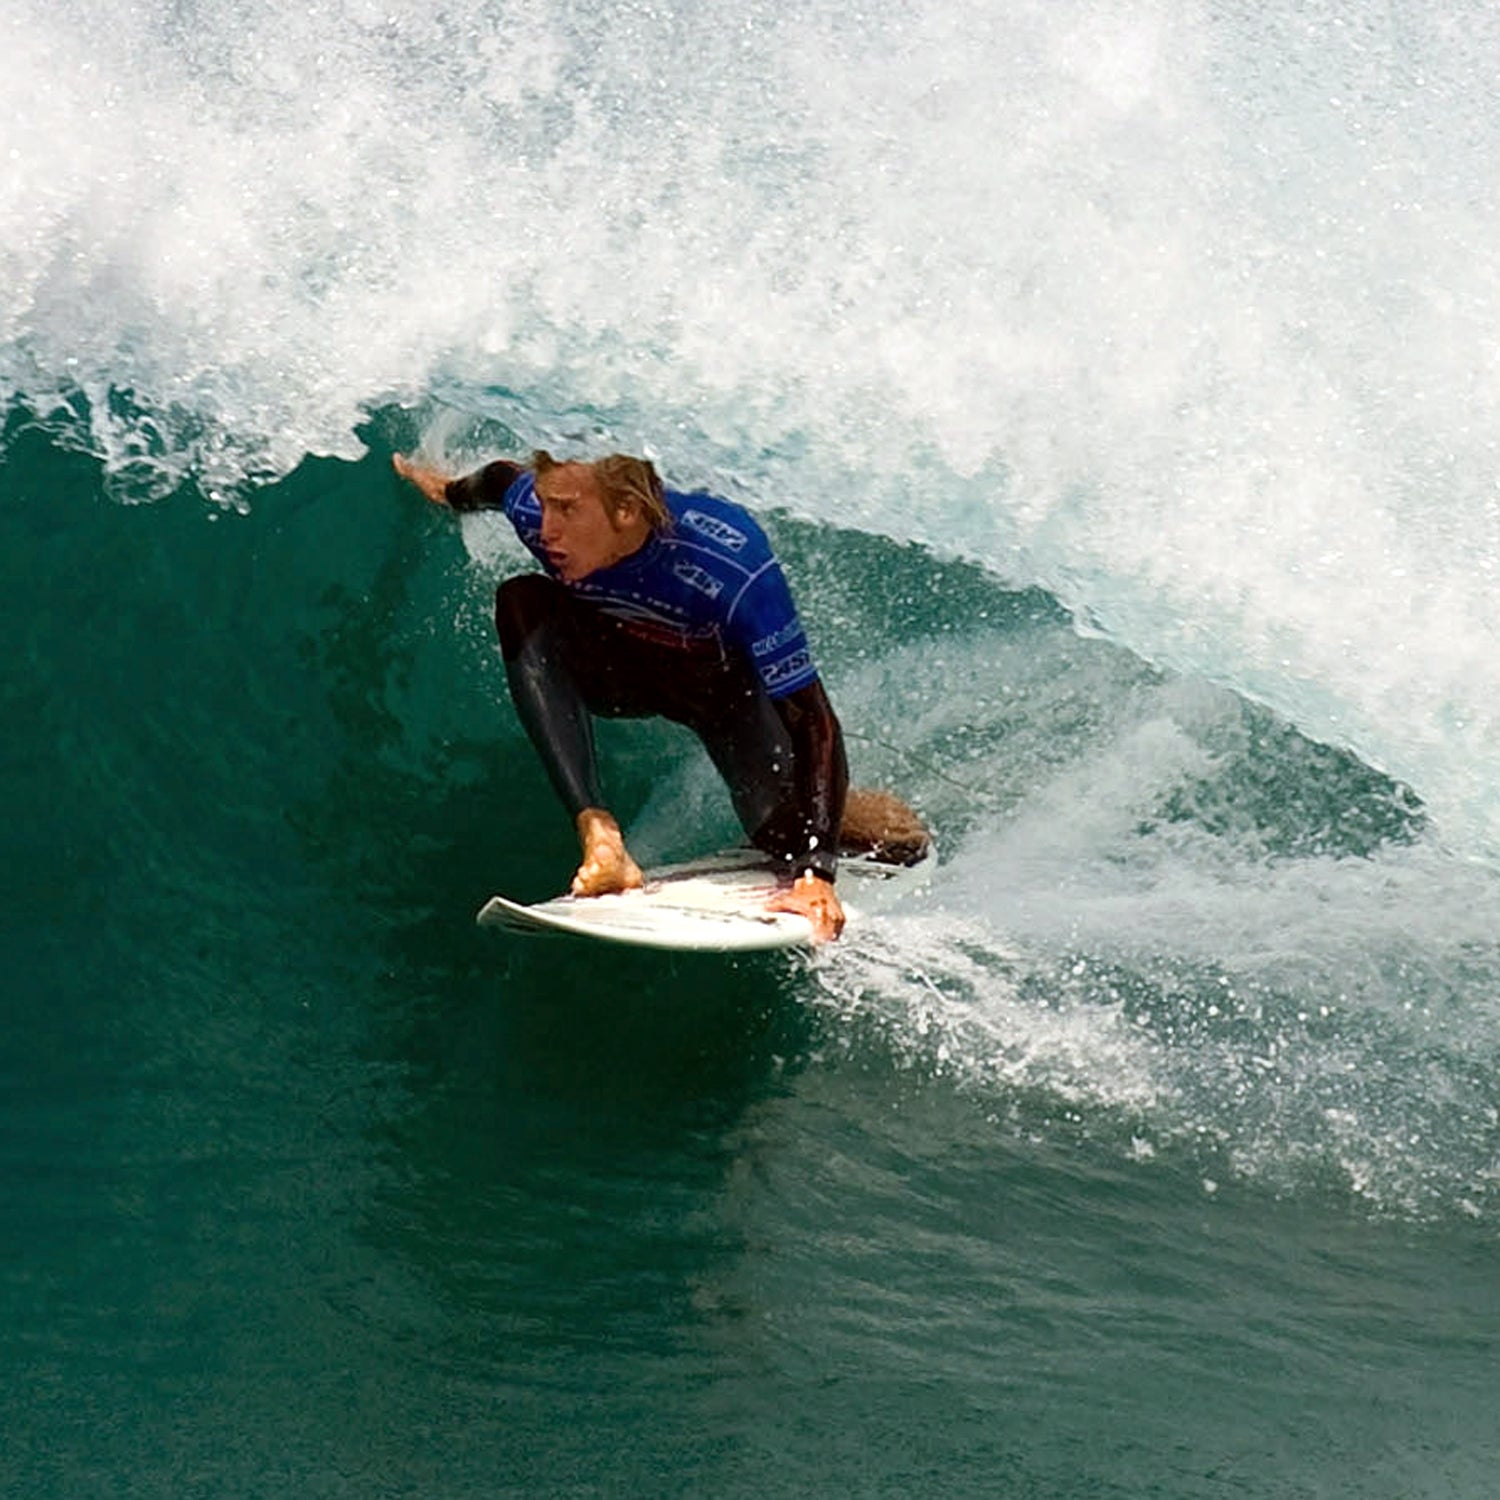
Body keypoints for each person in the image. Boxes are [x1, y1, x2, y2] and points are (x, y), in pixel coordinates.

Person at [393, 447, 858, 940]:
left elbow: (814, 722)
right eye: (546, 504)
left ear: (627, 511)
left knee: (782, 839)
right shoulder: (536, 510)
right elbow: (499, 481)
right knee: (520, 598)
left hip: (717, 696)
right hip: (617, 673)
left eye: (568, 510)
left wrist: (816, 873)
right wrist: (446, 491)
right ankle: (599, 834)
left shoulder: (731, 564)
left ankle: (847, 808)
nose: (546, 528)